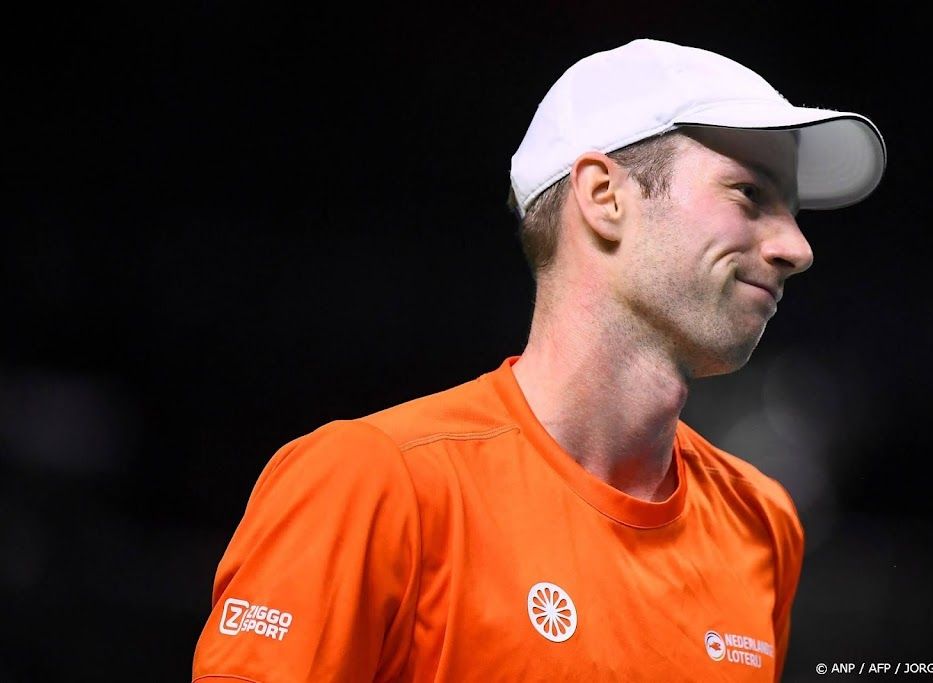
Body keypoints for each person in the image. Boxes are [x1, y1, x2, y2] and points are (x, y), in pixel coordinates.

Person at [192, 38, 886, 682]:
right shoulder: (372, 482)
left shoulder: (763, 524)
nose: (797, 248)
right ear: (605, 196)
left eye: (793, 212)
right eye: (750, 194)